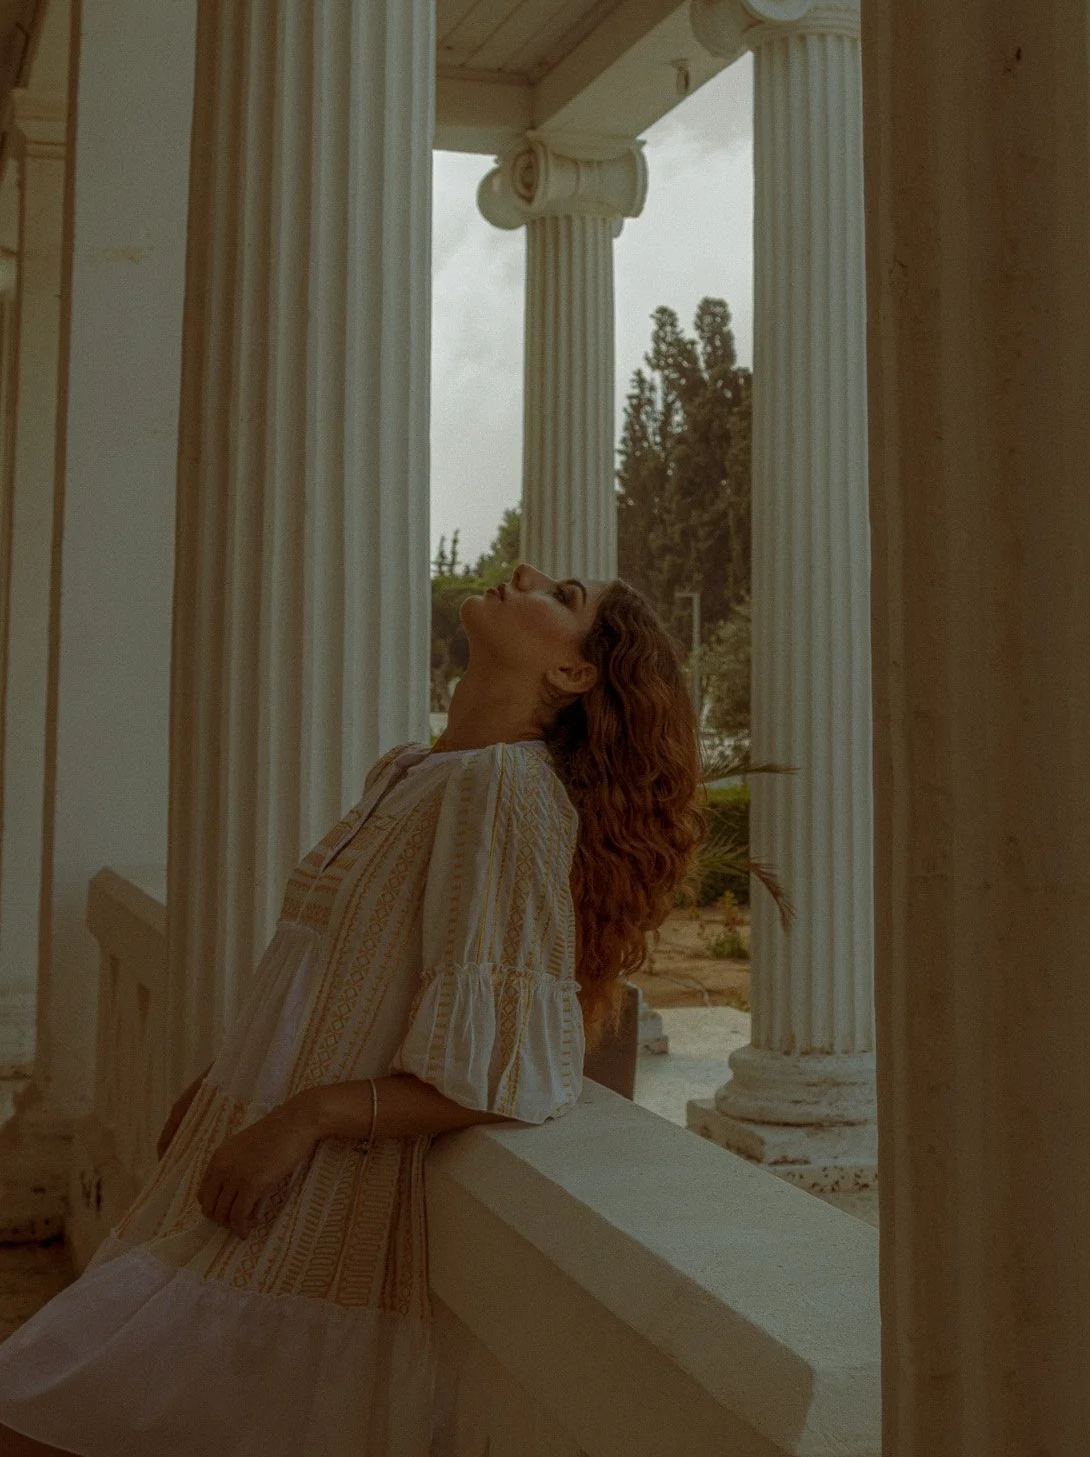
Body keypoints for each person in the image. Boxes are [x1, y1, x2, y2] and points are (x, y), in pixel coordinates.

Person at [0, 564, 703, 1457]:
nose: (523, 572)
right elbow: (326, 976)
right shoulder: (411, 768)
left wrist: (307, 1116)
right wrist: (225, 1084)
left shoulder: (508, 792)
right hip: (230, 1192)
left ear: (573, 675)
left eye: (562, 597)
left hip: (308, 1229)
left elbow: (514, 1075)